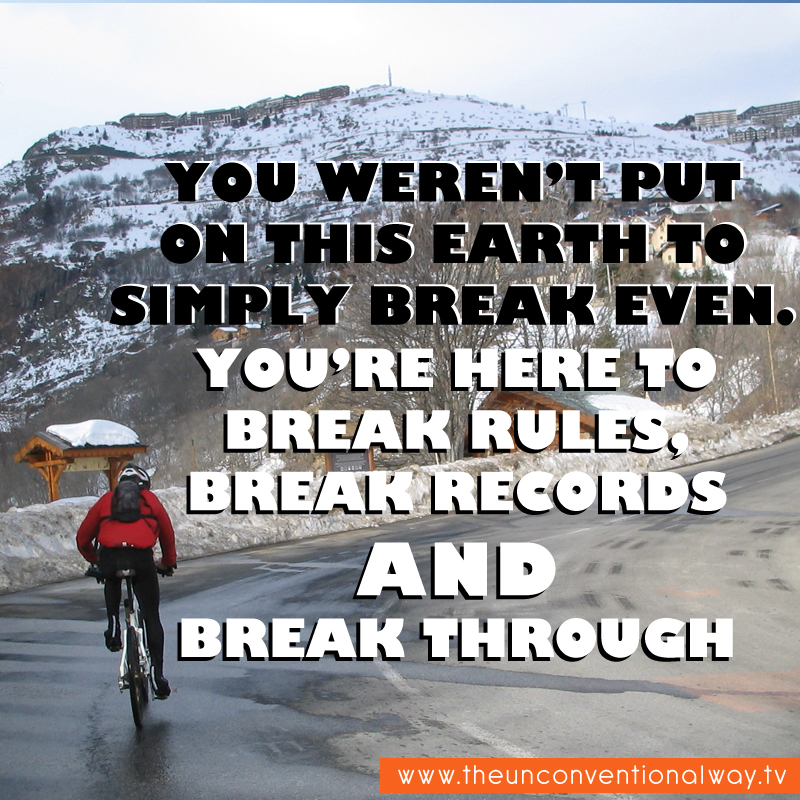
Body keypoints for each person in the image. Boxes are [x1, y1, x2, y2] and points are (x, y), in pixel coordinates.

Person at [76, 464, 177, 699]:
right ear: (144, 485)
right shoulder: (150, 500)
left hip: (110, 557)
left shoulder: (106, 500)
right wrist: (167, 562)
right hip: (141, 558)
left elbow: (82, 537)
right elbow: (166, 533)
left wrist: (94, 559)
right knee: (151, 616)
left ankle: (113, 625)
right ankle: (158, 676)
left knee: (111, 577)